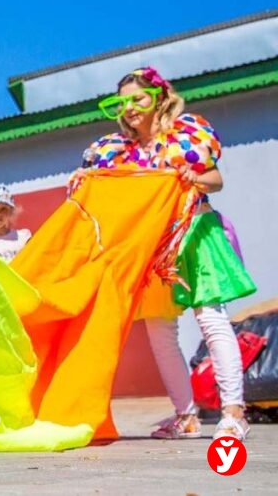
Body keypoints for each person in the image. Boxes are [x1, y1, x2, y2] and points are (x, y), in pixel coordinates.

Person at [87, 66, 256, 441]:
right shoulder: (118, 151)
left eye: (137, 98)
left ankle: (233, 411)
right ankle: (186, 417)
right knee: (160, 332)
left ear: (158, 97)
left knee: (211, 318)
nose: (129, 108)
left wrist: (192, 178)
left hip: (195, 232)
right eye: (121, 102)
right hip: (155, 245)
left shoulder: (185, 135)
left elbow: (216, 179)